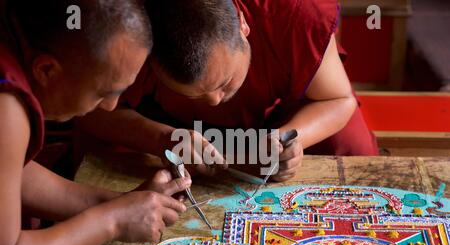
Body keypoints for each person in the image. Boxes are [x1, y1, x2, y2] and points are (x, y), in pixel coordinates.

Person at [0, 0, 190, 245]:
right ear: (47, 70)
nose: (112, 106)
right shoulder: (6, 108)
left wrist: (123, 203)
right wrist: (112, 221)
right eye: (105, 92)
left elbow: (14, 175)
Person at [78, 0, 379, 182]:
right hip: (172, 124)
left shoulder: (294, 11)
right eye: (194, 93)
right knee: (99, 161)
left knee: (350, 145)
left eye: (224, 83)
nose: (214, 101)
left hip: (279, 114)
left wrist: (290, 139)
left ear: (244, 26)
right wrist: (161, 138)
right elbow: (89, 111)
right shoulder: (132, 27)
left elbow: (338, 99)